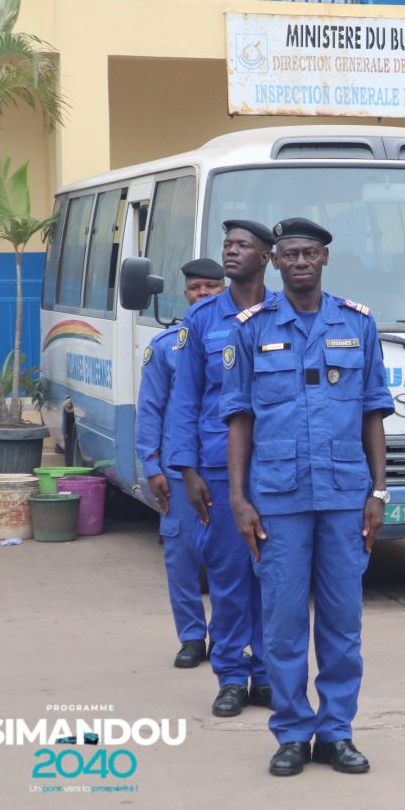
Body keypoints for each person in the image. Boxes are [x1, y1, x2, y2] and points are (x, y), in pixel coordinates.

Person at [222, 216, 393, 777]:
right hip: (278, 498)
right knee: (284, 622)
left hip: (345, 496)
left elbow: (373, 413)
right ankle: (293, 733)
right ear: (275, 261)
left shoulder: (358, 323)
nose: (300, 262)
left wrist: (379, 490)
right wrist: (239, 498)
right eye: (290, 254)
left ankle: (337, 732)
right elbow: (239, 419)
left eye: (309, 253)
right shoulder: (251, 329)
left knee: (343, 623)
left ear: (324, 258)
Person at [166, 220, 275, 718]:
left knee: (272, 575)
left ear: (265, 257)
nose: (230, 251)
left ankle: (268, 675)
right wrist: (186, 469)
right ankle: (231, 675)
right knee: (229, 576)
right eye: (227, 244)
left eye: (242, 245)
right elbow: (184, 398)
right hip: (214, 465)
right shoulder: (202, 318)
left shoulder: (283, 312)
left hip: (274, 465)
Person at [137, 257, 224, 668]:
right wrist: (152, 465)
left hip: (224, 470)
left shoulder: (240, 337)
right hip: (176, 471)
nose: (202, 294)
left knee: (228, 562)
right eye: (195, 288)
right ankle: (191, 637)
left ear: (224, 289)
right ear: (185, 293)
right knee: (182, 560)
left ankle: (225, 637)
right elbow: (150, 409)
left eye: (211, 286)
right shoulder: (166, 345)